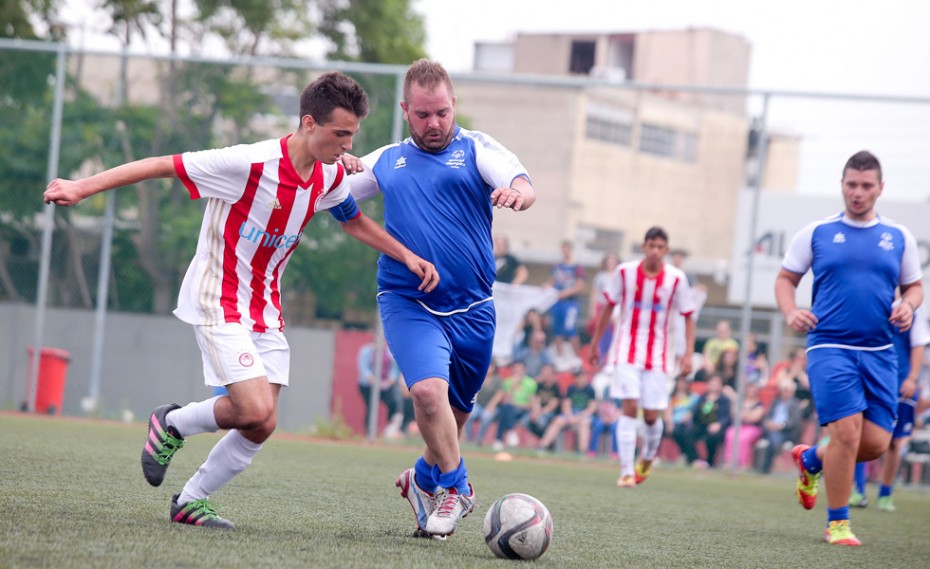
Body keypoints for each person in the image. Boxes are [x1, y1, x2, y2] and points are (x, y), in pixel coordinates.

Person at [43, 72, 439, 529]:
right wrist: (80, 186)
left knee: (261, 423)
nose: (348, 146)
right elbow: (159, 165)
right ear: (308, 123)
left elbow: (353, 222)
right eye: (341, 135)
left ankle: (190, 500)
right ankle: (172, 423)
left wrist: (407, 256)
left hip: (263, 308)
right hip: (217, 296)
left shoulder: (328, 176)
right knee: (252, 408)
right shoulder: (247, 163)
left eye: (352, 135)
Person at [348, 59, 536, 538]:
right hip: (407, 300)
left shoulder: (475, 149)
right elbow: (333, 197)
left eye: (443, 113)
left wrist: (517, 191)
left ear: (455, 107)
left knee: (449, 420)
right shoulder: (387, 160)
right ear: (406, 111)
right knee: (427, 395)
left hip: (473, 309)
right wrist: (333, 168)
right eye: (424, 114)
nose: (435, 124)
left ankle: (424, 478)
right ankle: (456, 489)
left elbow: (518, 179)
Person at [774, 150, 923, 546]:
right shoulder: (817, 232)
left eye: (866, 186)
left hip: (880, 352)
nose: (858, 193)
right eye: (851, 185)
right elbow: (785, 279)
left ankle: (811, 460)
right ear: (842, 185)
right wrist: (791, 312)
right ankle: (837, 523)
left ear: (880, 189)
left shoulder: (898, 236)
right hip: (829, 347)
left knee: (873, 444)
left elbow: (915, 286)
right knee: (845, 433)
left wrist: (907, 305)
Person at [588, 226, 697, 487]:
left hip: (660, 356)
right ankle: (626, 471)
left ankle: (647, 456)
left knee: (650, 416)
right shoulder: (624, 273)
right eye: (651, 246)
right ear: (644, 247)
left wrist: (688, 354)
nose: (656, 251)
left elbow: (689, 315)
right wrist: (595, 344)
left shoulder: (676, 279)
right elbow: (608, 307)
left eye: (661, 247)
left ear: (666, 250)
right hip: (626, 349)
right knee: (629, 407)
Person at [850, 304, 930, 511]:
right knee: (860, 436)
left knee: (893, 443)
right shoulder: (871, 301)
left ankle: (885, 494)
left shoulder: (912, 310)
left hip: (900, 384)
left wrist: (912, 378)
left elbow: (919, 345)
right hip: (869, 379)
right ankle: (858, 490)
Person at [672, 373, 732, 468]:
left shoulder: (724, 400)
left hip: (716, 426)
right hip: (701, 424)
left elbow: (726, 416)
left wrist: (719, 424)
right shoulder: (703, 397)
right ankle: (694, 459)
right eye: (712, 383)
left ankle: (710, 461)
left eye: (717, 384)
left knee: (712, 437)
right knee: (687, 433)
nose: (714, 386)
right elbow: (696, 412)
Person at [537, 369, 597, 453]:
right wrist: (570, 416)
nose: (578, 379)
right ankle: (543, 446)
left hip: (584, 415)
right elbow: (566, 405)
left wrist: (579, 417)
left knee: (584, 423)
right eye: (576, 377)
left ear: (584, 377)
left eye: (580, 377)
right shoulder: (571, 389)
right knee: (558, 421)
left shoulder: (590, 390)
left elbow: (592, 408)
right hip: (572, 413)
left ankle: (582, 451)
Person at [546, 240, 586, 357]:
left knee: (570, 329)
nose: (565, 251)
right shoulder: (557, 266)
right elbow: (552, 281)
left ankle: (579, 358)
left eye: (567, 248)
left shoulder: (577, 267)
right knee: (557, 330)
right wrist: (547, 287)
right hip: (557, 302)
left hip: (570, 303)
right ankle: (560, 357)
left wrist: (565, 293)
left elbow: (579, 287)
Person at [357, 340, 403, 438]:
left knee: (394, 404)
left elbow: (394, 370)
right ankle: (369, 434)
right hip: (368, 386)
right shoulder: (366, 351)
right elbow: (364, 369)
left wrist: (388, 381)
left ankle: (390, 431)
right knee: (372, 408)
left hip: (386, 386)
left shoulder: (390, 352)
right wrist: (374, 381)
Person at [488, 361, 538, 451]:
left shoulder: (531, 383)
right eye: (515, 370)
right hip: (510, 409)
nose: (517, 372)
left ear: (524, 370)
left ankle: (498, 439)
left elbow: (532, 402)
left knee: (505, 410)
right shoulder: (508, 382)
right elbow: (507, 399)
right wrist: (513, 386)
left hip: (523, 409)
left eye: (520, 369)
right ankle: (511, 431)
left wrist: (534, 411)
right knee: (507, 408)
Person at [758, 380, 804, 474]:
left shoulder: (795, 404)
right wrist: (769, 423)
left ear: (792, 391)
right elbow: (768, 416)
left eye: (786, 390)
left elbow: (793, 422)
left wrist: (781, 425)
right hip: (771, 429)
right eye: (783, 390)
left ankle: (766, 468)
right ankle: (769, 464)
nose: (784, 392)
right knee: (772, 435)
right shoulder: (776, 402)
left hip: (786, 432)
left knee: (773, 438)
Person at [722, 382, 766, 470]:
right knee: (730, 434)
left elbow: (754, 418)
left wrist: (743, 413)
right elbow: (734, 414)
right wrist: (747, 413)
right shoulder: (740, 402)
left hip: (753, 428)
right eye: (750, 388)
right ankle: (729, 461)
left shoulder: (759, 404)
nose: (752, 391)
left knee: (744, 437)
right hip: (738, 426)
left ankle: (742, 463)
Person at [586, 253, 620, 366]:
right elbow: (595, 293)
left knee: (613, 333)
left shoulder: (619, 275)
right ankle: (599, 357)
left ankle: (609, 358)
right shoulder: (600, 276)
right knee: (600, 332)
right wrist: (592, 309)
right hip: (602, 307)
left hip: (615, 308)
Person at [463, 362, 503, 445]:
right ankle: (469, 438)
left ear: (494, 368)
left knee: (486, 416)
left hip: (491, 406)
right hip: (478, 404)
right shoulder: (479, 376)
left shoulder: (497, 379)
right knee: (468, 415)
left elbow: (499, 394)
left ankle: (479, 439)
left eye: (491, 366)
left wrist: (491, 406)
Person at [527, 364, 563, 445]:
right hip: (540, 411)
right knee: (526, 420)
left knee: (541, 421)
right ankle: (544, 441)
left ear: (552, 375)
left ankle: (546, 444)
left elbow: (553, 405)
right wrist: (536, 412)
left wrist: (540, 413)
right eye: (543, 373)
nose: (543, 375)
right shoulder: (540, 385)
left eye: (546, 373)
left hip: (552, 413)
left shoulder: (556, 387)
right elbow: (536, 400)